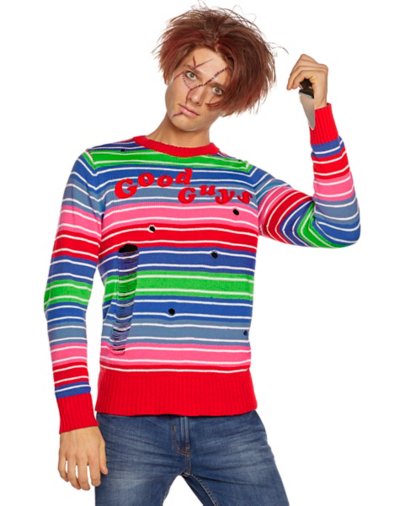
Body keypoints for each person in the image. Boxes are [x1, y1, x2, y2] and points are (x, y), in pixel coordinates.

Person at [43, 4, 361, 505]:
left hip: (233, 424)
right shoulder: (99, 168)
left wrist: (317, 117)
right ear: (170, 69)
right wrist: (75, 416)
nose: (197, 96)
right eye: (192, 75)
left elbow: (338, 228)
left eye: (218, 89)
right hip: (127, 425)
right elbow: (64, 297)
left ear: (231, 103)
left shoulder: (245, 182)